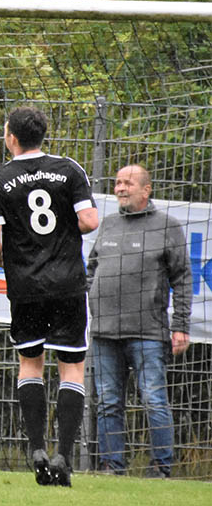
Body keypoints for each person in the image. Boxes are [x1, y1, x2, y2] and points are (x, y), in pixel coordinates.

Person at [0, 106, 99, 487]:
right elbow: (89, 221)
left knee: (30, 364)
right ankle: (64, 454)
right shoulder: (69, 169)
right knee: (72, 367)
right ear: (42, 135)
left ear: (11, 136)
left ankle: (37, 449)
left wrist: (12, 261)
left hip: (26, 286)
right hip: (68, 283)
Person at [87, 164, 191, 478]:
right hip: (104, 332)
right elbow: (91, 269)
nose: (120, 188)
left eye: (128, 183)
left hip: (148, 332)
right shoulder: (107, 224)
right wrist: (93, 298)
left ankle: (161, 468)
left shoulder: (167, 226)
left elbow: (183, 279)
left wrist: (181, 325)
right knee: (107, 402)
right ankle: (112, 466)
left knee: (154, 399)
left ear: (146, 190)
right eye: (117, 182)